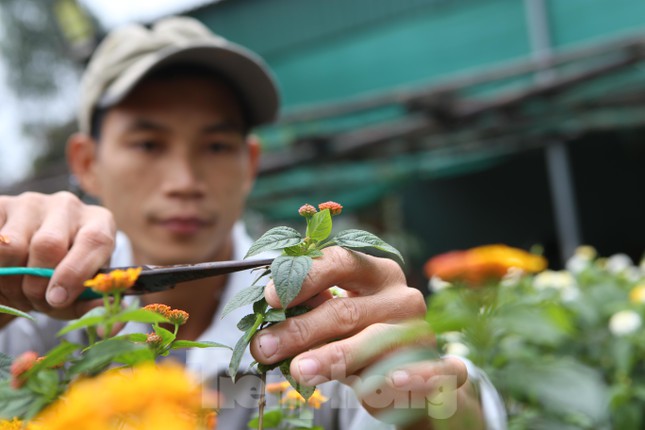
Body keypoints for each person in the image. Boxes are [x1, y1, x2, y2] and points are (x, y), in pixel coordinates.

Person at [0, 17, 506, 429]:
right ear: (87, 163)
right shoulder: (30, 321)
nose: (184, 180)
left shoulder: (319, 328)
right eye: (148, 144)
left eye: (216, 146)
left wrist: (428, 400)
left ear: (250, 164)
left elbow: (445, 410)